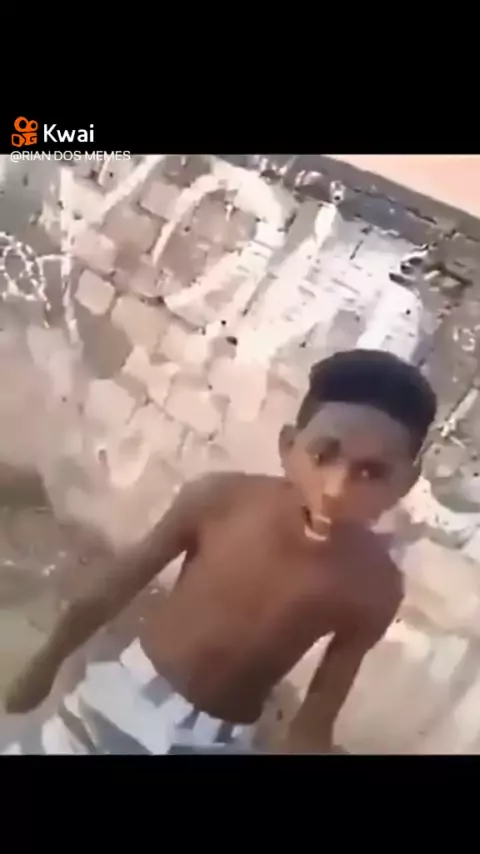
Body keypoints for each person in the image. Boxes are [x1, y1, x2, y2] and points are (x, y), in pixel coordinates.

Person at [4, 349, 437, 754]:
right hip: (120, 695)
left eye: (372, 473)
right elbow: (114, 587)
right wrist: (47, 661)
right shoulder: (221, 501)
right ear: (289, 445)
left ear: (407, 481)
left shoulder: (375, 588)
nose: (337, 488)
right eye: (323, 455)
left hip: (217, 741)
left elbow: (320, 709)